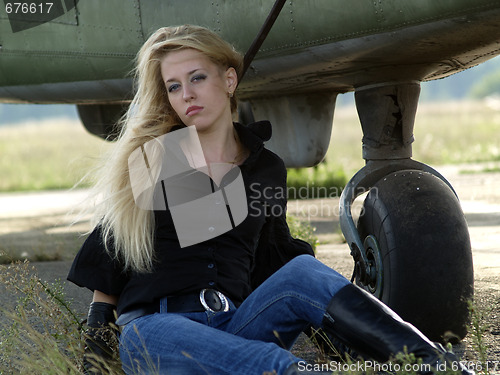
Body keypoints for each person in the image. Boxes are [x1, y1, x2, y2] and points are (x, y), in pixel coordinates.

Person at [68, 25, 473, 375]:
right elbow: (119, 246)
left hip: (235, 321)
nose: (186, 94)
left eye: (197, 78)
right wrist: (98, 337)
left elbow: (273, 255)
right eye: (173, 87)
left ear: (229, 81)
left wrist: (334, 326)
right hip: (157, 332)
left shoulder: (265, 167)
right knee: (271, 362)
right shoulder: (156, 155)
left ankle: (431, 363)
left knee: (302, 271)